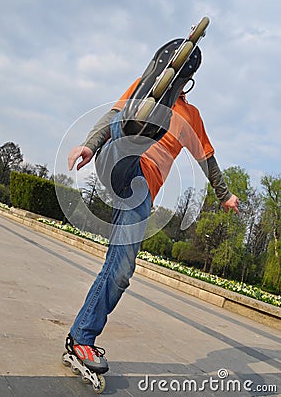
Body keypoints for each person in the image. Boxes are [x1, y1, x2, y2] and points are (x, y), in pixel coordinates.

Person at [66, 41, 239, 373]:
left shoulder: (191, 116)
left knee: (120, 271)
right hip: (121, 159)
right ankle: (139, 127)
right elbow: (111, 114)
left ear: (186, 81)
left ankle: (81, 339)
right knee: (132, 121)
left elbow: (207, 160)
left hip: (141, 191)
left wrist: (225, 195)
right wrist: (90, 145)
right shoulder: (142, 86)